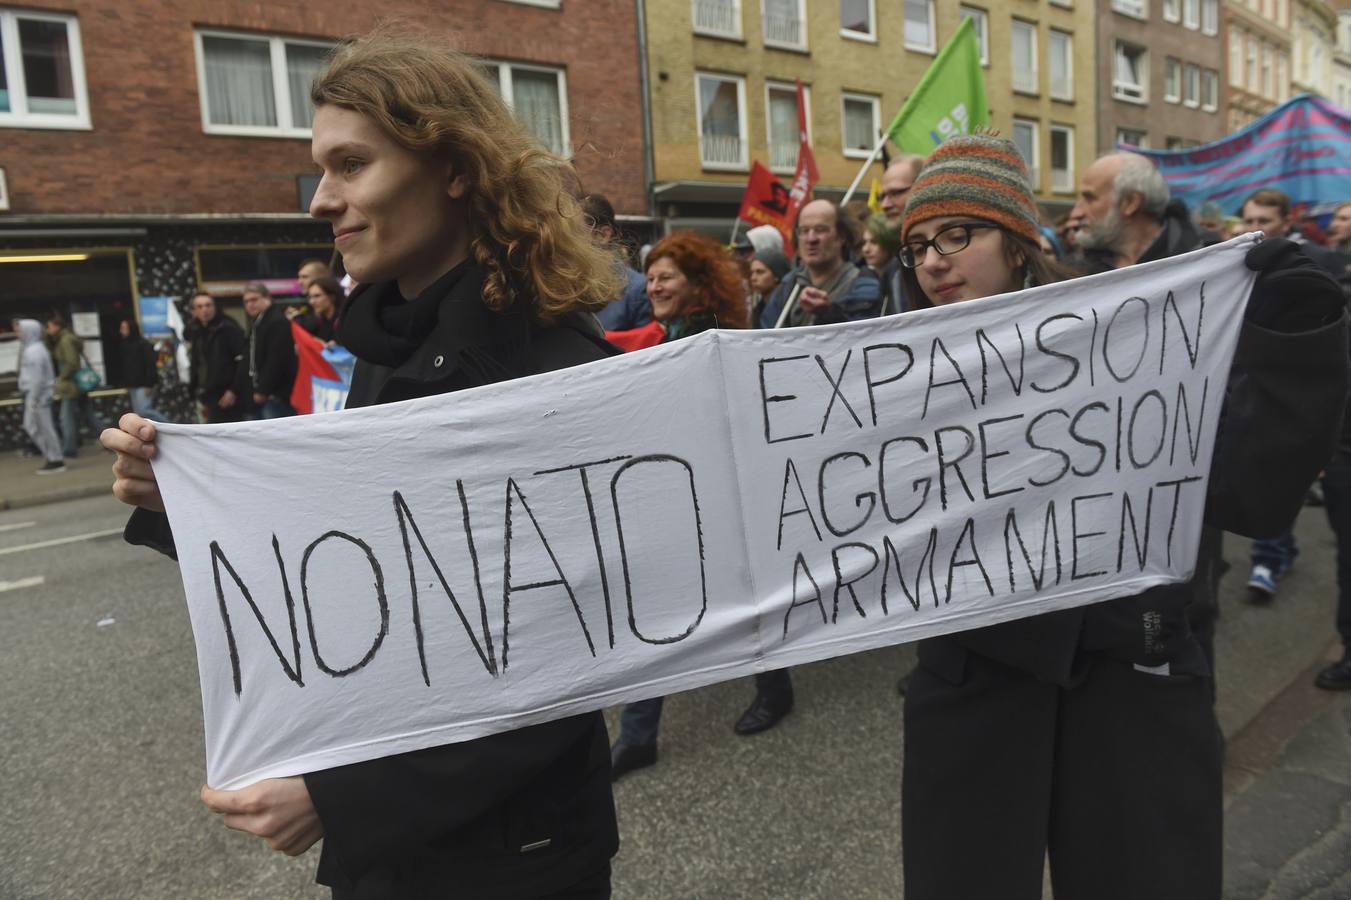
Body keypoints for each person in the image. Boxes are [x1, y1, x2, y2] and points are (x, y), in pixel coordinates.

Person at [103, 28, 622, 898]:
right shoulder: (386, 345)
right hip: (393, 857)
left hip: (514, 857)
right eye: (321, 168)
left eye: (351, 166)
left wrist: (346, 793)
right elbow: (352, 572)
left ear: (454, 169)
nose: (319, 198)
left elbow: (562, 666)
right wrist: (182, 508)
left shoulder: (555, 371)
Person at [898, 135, 1348, 900]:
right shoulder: (888, 370)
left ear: (1015, 245)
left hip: (1132, 675)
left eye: (956, 235)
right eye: (915, 246)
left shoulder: (1127, 344)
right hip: (971, 682)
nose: (932, 260)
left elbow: (1249, 489)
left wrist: (1293, 335)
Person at [608, 231, 790, 778]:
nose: (654, 284)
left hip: (720, 496)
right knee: (658, 614)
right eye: (652, 275)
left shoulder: (721, 341)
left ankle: (776, 687)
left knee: (749, 596)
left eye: (666, 276)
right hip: (667, 496)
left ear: (697, 284)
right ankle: (639, 734)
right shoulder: (655, 337)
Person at [758, 199, 883, 328]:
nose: (811, 239)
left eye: (821, 230)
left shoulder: (864, 283)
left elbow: (866, 334)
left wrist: (828, 313)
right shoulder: (787, 286)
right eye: (804, 231)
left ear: (841, 236)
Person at [585, 193, 651, 332]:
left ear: (603, 235)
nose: (565, 242)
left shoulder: (637, 289)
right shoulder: (565, 289)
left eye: (574, 232)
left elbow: (646, 346)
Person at [45, 312, 107, 458]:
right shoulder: (66, 338)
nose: (48, 330)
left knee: (66, 418)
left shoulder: (65, 340)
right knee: (88, 415)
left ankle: (69, 449)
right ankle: (110, 440)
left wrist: (61, 377)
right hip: (77, 385)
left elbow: (71, 362)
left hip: (70, 386)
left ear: (57, 326)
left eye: (49, 326)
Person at [186, 292, 248, 424]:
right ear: (194, 311)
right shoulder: (197, 330)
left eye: (208, 305)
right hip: (207, 393)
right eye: (200, 306)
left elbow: (243, 361)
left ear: (215, 307)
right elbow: (197, 362)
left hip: (227, 394)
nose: (205, 310)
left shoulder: (228, 328)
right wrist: (193, 388)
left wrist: (233, 390)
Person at [241, 282, 298, 419]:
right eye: (246, 301)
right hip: (264, 393)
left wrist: (263, 390)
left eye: (254, 299)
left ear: (267, 298)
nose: (250, 304)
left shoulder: (276, 321)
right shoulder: (259, 321)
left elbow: (276, 359)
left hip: (275, 394)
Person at [16, 318, 65, 474]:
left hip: (37, 396)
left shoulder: (34, 351)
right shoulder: (34, 348)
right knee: (37, 427)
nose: (17, 333)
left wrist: (34, 398)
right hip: (38, 395)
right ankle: (53, 457)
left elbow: (37, 378)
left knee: (41, 427)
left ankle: (55, 459)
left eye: (19, 330)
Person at [877, 154, 924, 314]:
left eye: (896, 193)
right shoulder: (895, 267)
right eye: (882, 196)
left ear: (924, 186)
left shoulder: (948, 256)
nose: (885, 205)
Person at [115, 318, 168, 422]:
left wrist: (149, 384)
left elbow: (150, 365)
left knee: (144, 410)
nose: (121, 331)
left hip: (143, 384)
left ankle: (170, 427)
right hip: (132, 384)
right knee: (139, 413)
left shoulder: (144, 345)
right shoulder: (125, 345)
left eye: (124, 328)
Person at [858, 212, 901, 314]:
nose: (866, 249)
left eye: (874, 242)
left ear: (888, 242)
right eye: (864, 242)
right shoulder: (862, 277)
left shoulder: (900, 280)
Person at [296, 275, 345, 345]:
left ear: (332, 297)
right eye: (310, 297)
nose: (312, 301)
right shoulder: (318, 322)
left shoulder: (344, 322)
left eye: (317, 296)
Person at [748, 246, 790, 328]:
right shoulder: (758, 310)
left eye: (760, 272)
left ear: (776, 276)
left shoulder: (787, 307)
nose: (753, 278)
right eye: (752, 273)